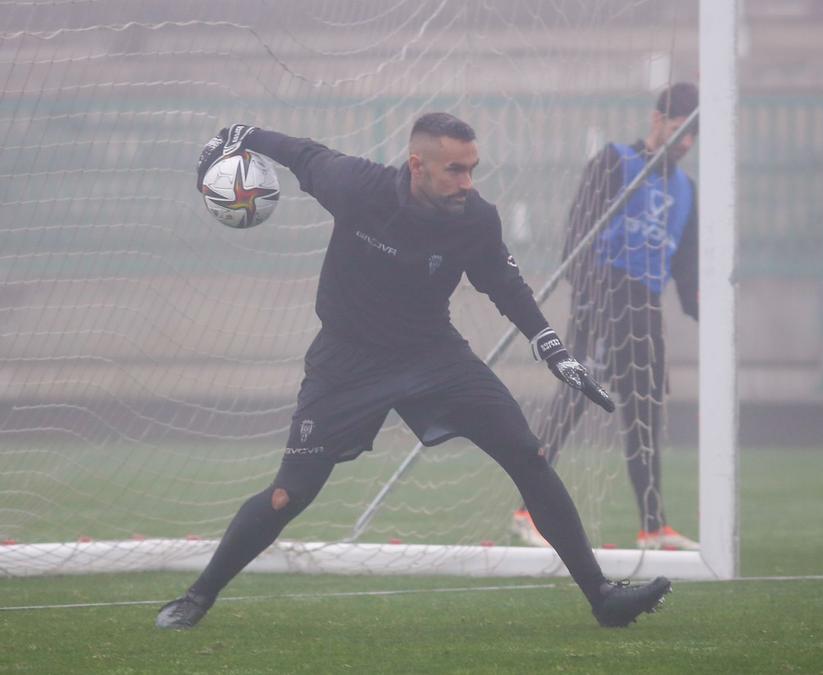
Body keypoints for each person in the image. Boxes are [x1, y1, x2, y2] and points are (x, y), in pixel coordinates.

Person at [155, 113, 673, 630]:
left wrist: (555, 349)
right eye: (454, 170)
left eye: (472, 169)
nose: (467, 183)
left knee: (529, 455)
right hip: (346, 362)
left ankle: (602, 596)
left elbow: (506, 286)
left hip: (433, 354)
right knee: (289, 494)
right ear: (417, 165)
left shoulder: (475, 217)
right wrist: (233, 139)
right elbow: (301, 152)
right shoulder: (356, 187)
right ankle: (196, 598)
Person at [510, 83, 701, 551]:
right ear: (657, 120)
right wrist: (592, 295)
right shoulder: (615, 161)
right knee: (574, 402)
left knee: (644, 413)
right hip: (603, 297)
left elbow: (686, 271)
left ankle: (652, 528)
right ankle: (525, 510)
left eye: (694, 135)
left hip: (646, 309)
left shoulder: (687, 190)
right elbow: (578, 235)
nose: (687, 143)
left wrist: (709, 310)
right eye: (680, 131)